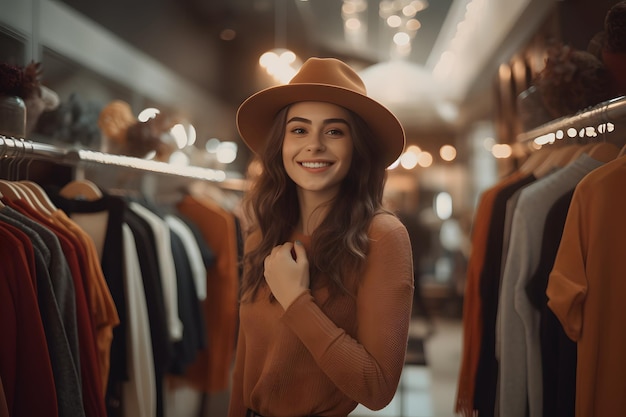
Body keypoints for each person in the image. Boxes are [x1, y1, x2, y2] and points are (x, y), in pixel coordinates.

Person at [228, 57, 415, 417]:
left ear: (356, 147)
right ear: (280, 144)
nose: (314, 145)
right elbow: (247, 364)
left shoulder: (381, 237)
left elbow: (377, 388)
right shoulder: (262, 235)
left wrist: (297, 301)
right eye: (299, 130)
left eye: (334, 131)